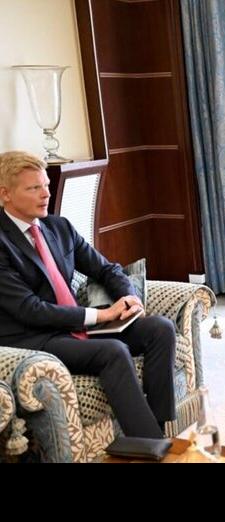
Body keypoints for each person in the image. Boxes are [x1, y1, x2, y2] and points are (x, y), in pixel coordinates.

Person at [0, 151, 176, 438]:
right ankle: (151, 444)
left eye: (46, 185)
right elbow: (30, 309)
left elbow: (107, 269)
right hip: (35, 337)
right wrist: (101, 315)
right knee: (113, 351)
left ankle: (158, 432)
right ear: (5, 194)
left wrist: (129, 297)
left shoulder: (59, 227)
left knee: (160, 329)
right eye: (33, 188)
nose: (45, 194)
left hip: (76, 327)